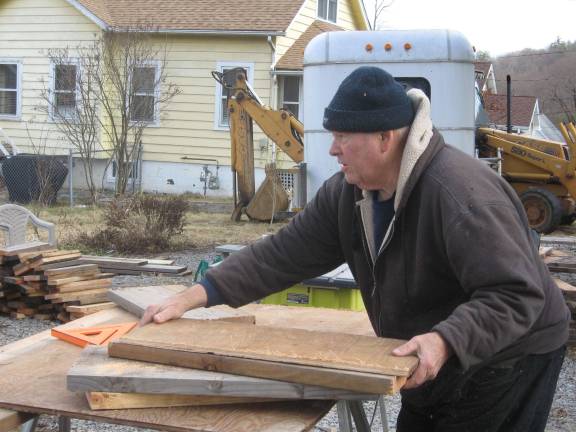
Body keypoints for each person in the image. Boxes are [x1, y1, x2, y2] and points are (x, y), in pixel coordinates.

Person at [141, 66, 569, 432]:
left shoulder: (460, 194)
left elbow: (516, 294)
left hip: (511, 354)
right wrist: (195, 295)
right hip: (430, 347)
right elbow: (283, 253)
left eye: (343, 136)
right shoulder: (348, 193)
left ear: (385, 138)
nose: (332, 148)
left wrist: (445, 340)